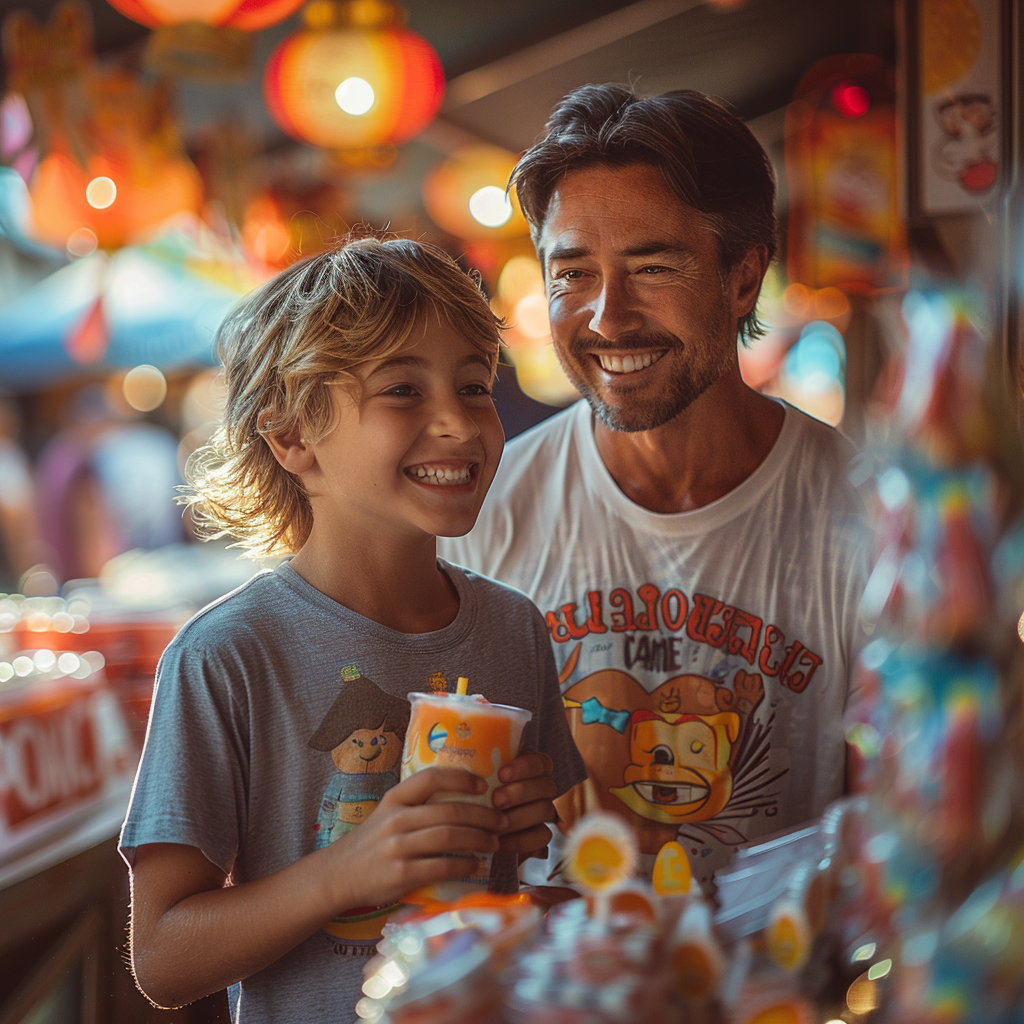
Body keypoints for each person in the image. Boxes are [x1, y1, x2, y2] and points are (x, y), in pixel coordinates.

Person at [119, 236, 586, 1023]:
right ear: (294, 438)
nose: (460, 423)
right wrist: (346, 872)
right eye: (403, 390)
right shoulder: (228, 656)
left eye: (474, 387)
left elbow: (554, 879)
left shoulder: (513, 630)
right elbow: (162, 958)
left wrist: (529, 835)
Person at [440, 85, 871, 890]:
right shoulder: (486, 514)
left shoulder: (866, 514)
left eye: (652, 267)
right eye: (572, 273)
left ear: (743, 279)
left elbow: (898, 816)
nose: (606, 317)